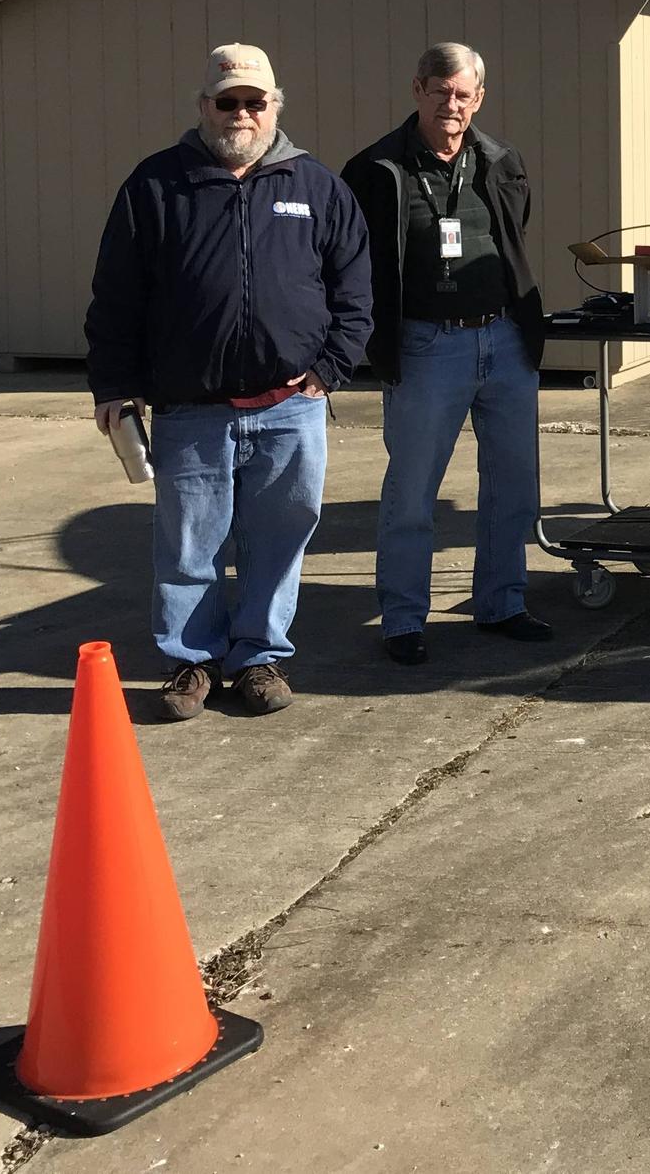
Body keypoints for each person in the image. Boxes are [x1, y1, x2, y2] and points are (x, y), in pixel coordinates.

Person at [86, 44, 373, 721]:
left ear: (275, 106)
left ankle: (258, 657)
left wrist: (329, 368)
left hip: (290, 407)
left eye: (255, 101)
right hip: (191, 407)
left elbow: (354, 289)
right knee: (189, 544)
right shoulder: (156, 185)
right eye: (228, 101)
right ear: (203, 106)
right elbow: (116, 296)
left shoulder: (316, 186)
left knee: (280, 540)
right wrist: (112, 384)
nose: (241, 113)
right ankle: (191, 661)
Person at [345, 43, 551, 666]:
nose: (452, 106)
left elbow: (515, 236)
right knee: (412, 491)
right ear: (417, 90)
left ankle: (502, 603)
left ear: (479, 99)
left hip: (504, 340)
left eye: (464, 95)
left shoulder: (501, 161)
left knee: (513, 484)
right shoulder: (377, 170)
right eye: (440, 92)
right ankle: (404, 619)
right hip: (426, 345)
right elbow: (351, 261)